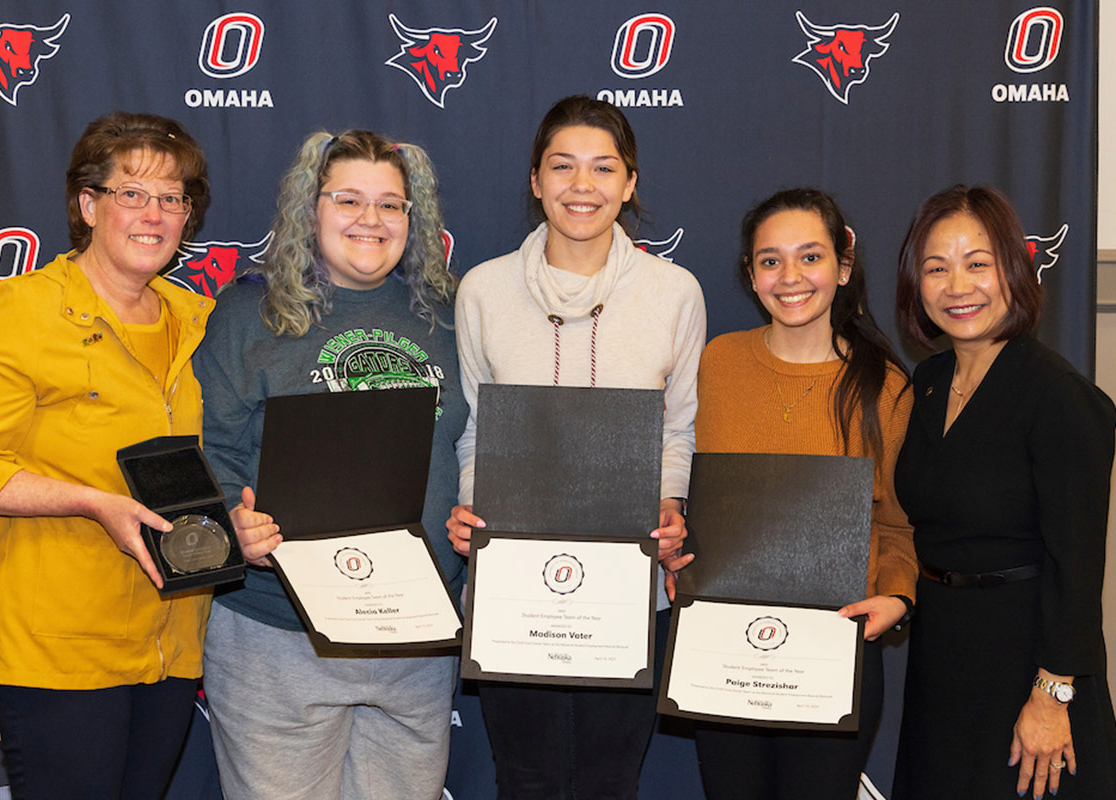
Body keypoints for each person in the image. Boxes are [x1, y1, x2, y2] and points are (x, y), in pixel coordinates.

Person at [0, 112, 214, 799]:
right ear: (88, 206)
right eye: (132, 194)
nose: (154, 214)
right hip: (59, 652)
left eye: (172, 198)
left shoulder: (199, 319)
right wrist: (90, 501)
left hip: (171, 644)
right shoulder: (21, 310)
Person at [193, 129, 466, 800]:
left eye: (392, 205)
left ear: (415, 218)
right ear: (308, 209)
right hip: (278, 634)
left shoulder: (452, 316)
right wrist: (233, 518)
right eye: (348, 199)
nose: (371, 220)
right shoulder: (246, 314)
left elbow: (478, 442)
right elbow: (207, 446)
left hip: (415, 640)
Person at [447, 94, 706, 799]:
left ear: (629, 183)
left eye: (602, 168)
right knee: (523, 778)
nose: (581, 186)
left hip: (629, 588)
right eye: (562, 167)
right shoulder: (482, 290)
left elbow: (677, 427)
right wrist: (472, 511)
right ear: (535, 181)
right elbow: (474, 426)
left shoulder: (674, 293)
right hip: (511, 586)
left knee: (609, 780)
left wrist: (668, 502)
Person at [678, 187, 916, 799]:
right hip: (725, 648)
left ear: (843, 266)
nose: (790, 278)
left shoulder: (884, 386)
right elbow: (693, 493)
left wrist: (896, 595)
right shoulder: (717, 363)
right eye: (770, 260)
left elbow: (898, 526)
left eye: (810, 257)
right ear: (751, 276)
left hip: (835, 650)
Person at [891, 184, 1116, 800]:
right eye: (936, 267)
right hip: (942, 654)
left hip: (1029, 664)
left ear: (1014, 271)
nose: (957, 286)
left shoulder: (1059, 397)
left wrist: (1053, 692)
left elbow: (1077, 563)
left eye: (978, 264)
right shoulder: (931, 380)